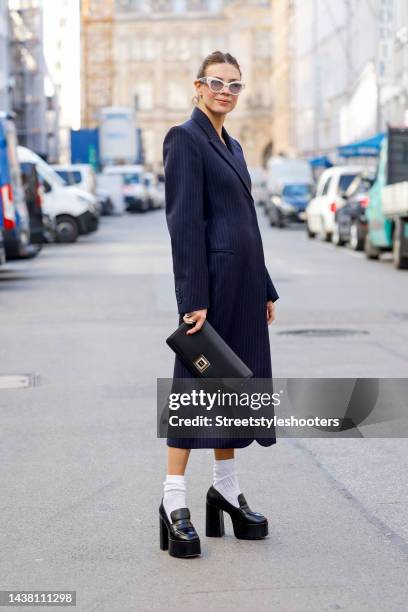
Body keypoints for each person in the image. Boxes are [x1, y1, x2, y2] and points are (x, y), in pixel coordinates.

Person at [160, 51, 280, 558]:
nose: (226, 91)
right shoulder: (184, 139)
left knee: (232, 389)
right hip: (210, 292)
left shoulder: (231, 143)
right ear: (198, 86)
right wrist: (194, 298)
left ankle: (225, 489)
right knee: (194, 393)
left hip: (244, 288)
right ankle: (172, 502)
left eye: (234, 84)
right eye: (217, 83)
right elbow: (183, 222)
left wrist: (267, 288)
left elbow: (245, 224)